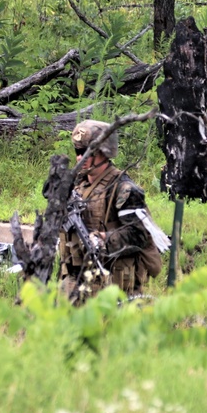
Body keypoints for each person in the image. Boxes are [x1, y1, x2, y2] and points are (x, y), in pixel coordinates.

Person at [59, 120, 163, 304]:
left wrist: (104, 238)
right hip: (74, 283)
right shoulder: (77, 184)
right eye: (78, 152)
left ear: (104, 153)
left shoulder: (123, 189)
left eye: (87, 153)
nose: (79, 158)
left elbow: (139, 236)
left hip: (110, 285)